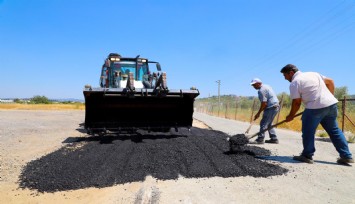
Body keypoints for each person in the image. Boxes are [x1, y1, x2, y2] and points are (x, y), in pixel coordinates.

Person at [280, 64, 353, 165]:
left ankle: (307, 155)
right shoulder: (313, 74)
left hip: (314, 108)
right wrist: (328, 98)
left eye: (285, 75)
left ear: (291, 73)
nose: (285, 78)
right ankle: (346, 156)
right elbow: (330, 81)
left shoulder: (295, 82)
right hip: (331, 105)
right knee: (334, 131)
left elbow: (297, 102)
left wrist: (291, 115)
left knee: (308, 132)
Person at [249, 78, 280, 144]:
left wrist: (258, 113)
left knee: (263, 123)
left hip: (271, 107)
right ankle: (274, 138)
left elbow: (264, 103)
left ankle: (260, 139)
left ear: (259, 83)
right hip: (275, 106)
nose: (253, 86)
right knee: (269, 123)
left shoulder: (261, 90)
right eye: (253, 85)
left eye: (254, 85)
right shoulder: (267, 86)